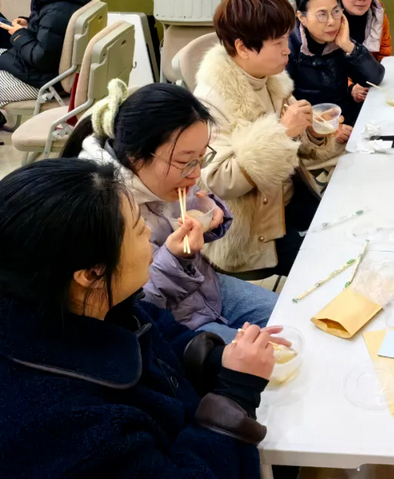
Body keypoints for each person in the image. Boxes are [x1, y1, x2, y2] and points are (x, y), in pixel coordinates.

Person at [0, 157, 291, 477]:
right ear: (92, 273)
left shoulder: (88, 301)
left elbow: (159, 330)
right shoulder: (65, 427)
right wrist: (235, 393)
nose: (151, 232)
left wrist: (219, 358)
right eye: (140, 229)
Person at [62, 81, 278, 343]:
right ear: (135, 155)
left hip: (208, 287)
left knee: (293, 318)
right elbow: (133, 307)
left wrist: (210, 213)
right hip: (168, 324)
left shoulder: (170, 171)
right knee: (270, 358)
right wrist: (177, 258)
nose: (197, 172)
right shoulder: (103, 207)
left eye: (201, 158)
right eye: (186, 162)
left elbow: (197, 194)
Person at [194, 0, 342, 278]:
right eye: (278, 42)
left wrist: (311, 129)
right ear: (243, 48)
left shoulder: (270, 76)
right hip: (254, 230)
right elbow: (219, 181)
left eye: (286, 37)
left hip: (288, 197)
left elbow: (299, 149)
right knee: (329, 269)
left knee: (348, 226)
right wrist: (282, 132)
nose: (287, 48)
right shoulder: (211, 99)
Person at [0, 0, 92, 116]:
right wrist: (28, 22)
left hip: (47, 80)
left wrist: (19, 34)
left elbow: (41, 59)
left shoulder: (56, 10)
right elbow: (51, 29)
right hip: (52, 70)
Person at [287, 0, 385, 130]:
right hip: (310, 134)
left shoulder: (338, 40)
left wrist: (350, 47)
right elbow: (286, 112)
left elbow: (375, 78)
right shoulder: (289, 49)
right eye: (322, 15)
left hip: (342, 120)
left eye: (336, 11)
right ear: (302, 18)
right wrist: (326, 129)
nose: (332, 21)